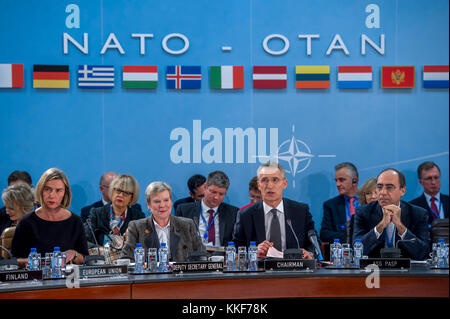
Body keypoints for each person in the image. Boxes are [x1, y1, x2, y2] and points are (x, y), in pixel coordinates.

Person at [232, 161, 315, 259]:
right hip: (260, 270)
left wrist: (309, 253)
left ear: (284, 184)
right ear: (259, 185)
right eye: (264, 180)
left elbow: (313, 243)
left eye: (275, 180)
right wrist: (253, 252)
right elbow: (236, 249)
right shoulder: (245, 215)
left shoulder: (301, 211)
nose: (270, 185)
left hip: (294, 269)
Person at [11, 168, 88, 267]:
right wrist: (35, 262)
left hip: (68, 279)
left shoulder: (75, 221)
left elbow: (86, 259)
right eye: (47, 189)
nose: (52, 195)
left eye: (58, 190)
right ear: (41, 190)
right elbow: (14, 261)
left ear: (65, 193)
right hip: (35, 279)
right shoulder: (27, 222)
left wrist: (74, 254)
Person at [353, 168, 430, 260]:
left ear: (402, 190)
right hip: (373, 270)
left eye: (389, 187)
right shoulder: (363, 212)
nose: (383, 192)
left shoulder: (418, 214)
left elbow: (423, 253)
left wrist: (400, 226)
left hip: (407, 271)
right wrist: (380, 226)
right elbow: (356, 250)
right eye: (379, 187)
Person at [120, 181, 204, 262]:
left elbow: (201, 255)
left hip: (182, 275)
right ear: (148, 205)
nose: (162, 205)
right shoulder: (137, 227)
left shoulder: (187, 225)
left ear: (171, 202)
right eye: (157, 201)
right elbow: (126, 259)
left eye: (166, 200)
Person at [175, 171, 239, 247]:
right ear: (205, 187)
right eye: (213, 192)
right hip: (193, 257)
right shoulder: (184, 210)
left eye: (221, 194)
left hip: (222, 257)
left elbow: (237, 243)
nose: (216, 197)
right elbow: (177, 240)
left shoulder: (234, 213)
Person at [85, 174, 145, 248]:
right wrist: (101, 251)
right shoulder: (97, 214)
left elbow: (143, 244)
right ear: (112, 191)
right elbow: (84, 241)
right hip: (102, 258)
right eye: (118, 190)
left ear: (132, 197)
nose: (120, 195)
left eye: (126, 193)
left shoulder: (138, 217)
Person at [320, 162, 360, 244]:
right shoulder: (331, 205)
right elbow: (324, 234)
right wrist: (349, 236)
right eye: (336, 181)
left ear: (354, 181)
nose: (337, 184)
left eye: (342, 180)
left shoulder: (368, 201)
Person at [1, 183, 35, 259]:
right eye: (6, 207)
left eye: (11, 208)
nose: (7, 211)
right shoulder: (4, 221)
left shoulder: (38, 226)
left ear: (24, 207)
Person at [0, 170, 33, 235]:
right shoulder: (2, 215)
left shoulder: (43, 215)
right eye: (12, 190)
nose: (16, 197)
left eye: (21, 191)